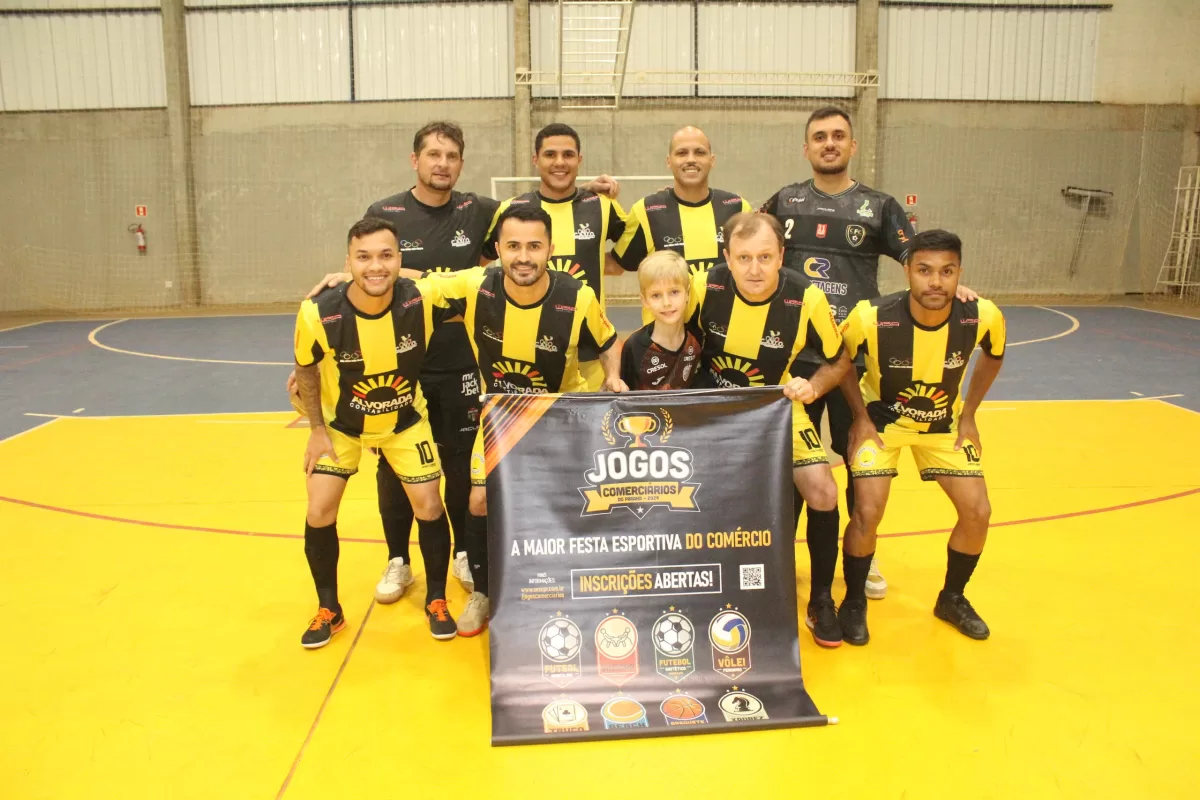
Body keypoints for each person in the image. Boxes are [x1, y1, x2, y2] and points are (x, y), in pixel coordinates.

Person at [295, 122, 621, 604]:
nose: (442, 163)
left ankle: (467, 554)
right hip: (406, 366)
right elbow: (370, 266)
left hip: (467, 363)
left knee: (461, 465)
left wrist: (583, 189)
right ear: (415, 160)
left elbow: (533, 215)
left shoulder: (481, 210)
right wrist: (346, 286)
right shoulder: (385, 212)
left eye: (451, 156)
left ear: (462, 163)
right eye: (433, 154)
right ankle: (398, 559)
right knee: (395, 466)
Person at [761, 106, 975, 602]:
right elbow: (750, 241)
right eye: (820, 137)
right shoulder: (785, 201)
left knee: (861, 457)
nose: (829, 143)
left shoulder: (878, 206)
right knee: (791, 460)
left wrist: (951, 286)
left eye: (838, 135)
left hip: (852, 362)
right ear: (806, 148)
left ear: (852, 146)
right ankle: (783, 552)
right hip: (794, 360)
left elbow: (919, 259)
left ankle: (864, 549)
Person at [426, 203, 626, 637]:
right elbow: (412, 286)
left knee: (575, 503)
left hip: (561, 416)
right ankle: (483, 592)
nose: (523, 256)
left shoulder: (578, 296)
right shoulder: (474, 286)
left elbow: (609, 341)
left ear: (551, 249)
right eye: (513, 246)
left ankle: (577, 584)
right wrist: (348, 279)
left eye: (534, 246)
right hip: (501, 420)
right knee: (479, 501)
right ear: (497, 249)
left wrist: (612, 375)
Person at [684, 212, 854, 648]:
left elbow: (838, 360)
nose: (754, 269)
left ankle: (820, 599)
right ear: (727, 258)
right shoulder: (704, 286)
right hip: (714, 410)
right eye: (743, 258)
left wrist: (813, 387)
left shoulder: (807, 297)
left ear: (781, 255)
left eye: (764, 257)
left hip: (777, 407)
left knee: (823, 491)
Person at [292, 217, 459, 647]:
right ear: (347, 262)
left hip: (405, 422)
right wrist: (315, 429)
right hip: (341, 427)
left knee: (429, 504)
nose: (375, 266)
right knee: (319, 509)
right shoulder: (318, 311)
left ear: (400, 259)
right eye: (363, 257)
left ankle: (437, 599)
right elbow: (305, 368)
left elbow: (475, 284)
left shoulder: (421, 297)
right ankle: (329, 609)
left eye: (386, 256)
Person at [837, 229, 1005, 645]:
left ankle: (952, 598)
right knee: (867, 512)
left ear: (960, 273)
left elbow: (994, 354)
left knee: (978, 512)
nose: (935, 281)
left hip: (944, 427)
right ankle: (853, 601)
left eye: (947, 272)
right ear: (908, 271)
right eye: (925, 270)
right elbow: (839, 358)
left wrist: (969, 415)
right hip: (883, 425)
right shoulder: (870, 316)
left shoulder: (983, 315)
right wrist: (859, 416)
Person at [484, 123, 628, 391]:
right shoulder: (510, 210)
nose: (559, 162)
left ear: (579, 159)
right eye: (550, 154)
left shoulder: (603, 206)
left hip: (590, 356)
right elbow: (483, 265)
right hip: (525, 356)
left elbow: (624, 261)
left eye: (568, 155)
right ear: (535, 159)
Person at [614, 126, 752, 322]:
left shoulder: (738, 208)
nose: (691, 159)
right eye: (681, 153)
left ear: (712, 160)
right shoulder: (646, 210)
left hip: (728, 332)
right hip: (665, 337)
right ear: (669, 161)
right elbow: (617, 264)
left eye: (699, 152)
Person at [619, 250, 701, 391]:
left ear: (687, 293)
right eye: (656, 295)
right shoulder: (634, 347)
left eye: (674, 292)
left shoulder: (697, 338)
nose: (666, 303)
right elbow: (627, 398)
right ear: (645, 300)